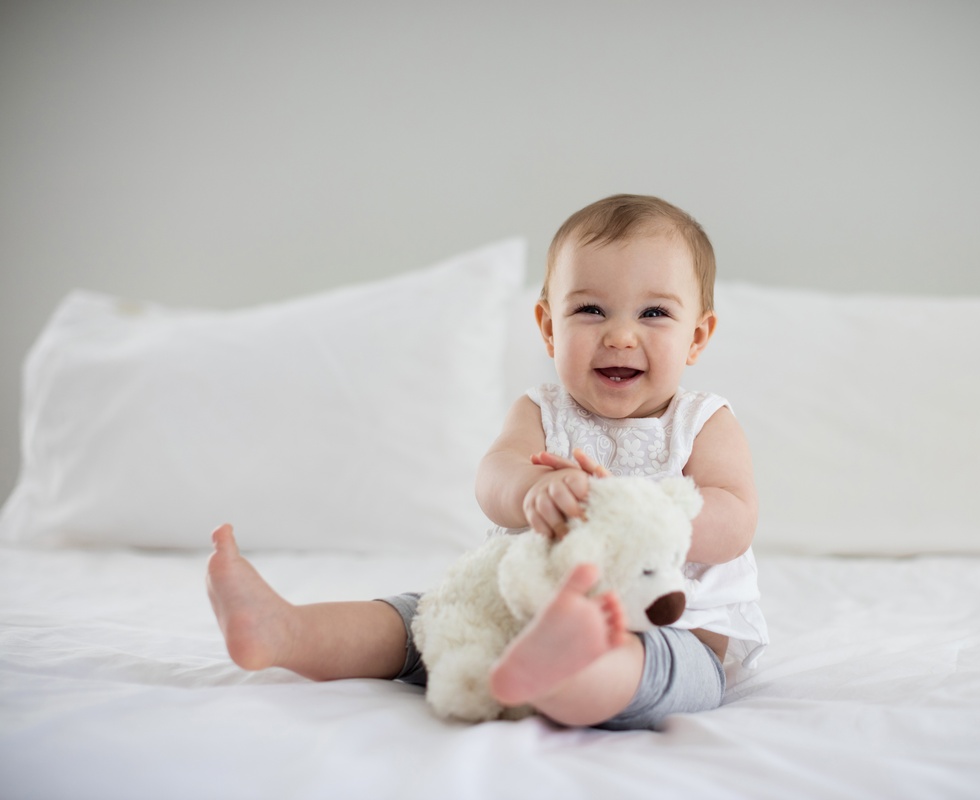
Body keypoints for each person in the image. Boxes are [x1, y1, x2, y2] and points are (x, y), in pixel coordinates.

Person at [206, 194, 769, 730]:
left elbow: (734, 519)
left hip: (670, 628)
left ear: (697, 338)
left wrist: (628, 509)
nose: (620, 335)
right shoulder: (541, 409)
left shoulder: (702, 421)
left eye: (653, 313)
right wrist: (533, 489)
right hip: (514, 608)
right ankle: (285, 630)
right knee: (421, 619)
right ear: (550, 327)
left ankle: (569, 671)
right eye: (591, 310)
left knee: (650, 667)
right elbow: (493, 476)